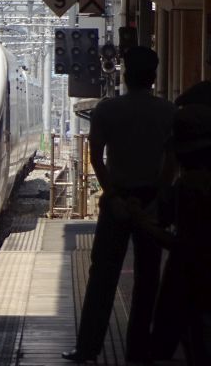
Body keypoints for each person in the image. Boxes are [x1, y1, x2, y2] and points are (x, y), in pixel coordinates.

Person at [63, 46, 175, 364]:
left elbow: (96, 157)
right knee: (147, 278)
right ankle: (137, 351)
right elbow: (171, 161)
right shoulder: (168, 112)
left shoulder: (108, 110)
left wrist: (112, 194)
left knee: (102, 276)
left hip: (117, 201)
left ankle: (87, 348)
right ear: (153, 76)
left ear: (125, 75)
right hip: (150, 201)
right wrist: (159, 195)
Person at [148, 86, 211, 364]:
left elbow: (181, 243)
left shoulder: (189, 187)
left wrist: (143, 221)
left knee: (176, 331)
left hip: (191, 276)